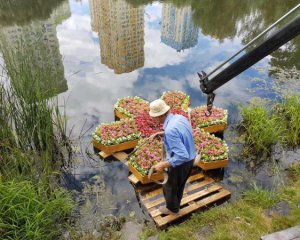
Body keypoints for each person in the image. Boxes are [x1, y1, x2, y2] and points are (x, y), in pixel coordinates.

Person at [149, 99, 196, 215]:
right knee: (179, 185)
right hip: (191, 159)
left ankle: (172, 209)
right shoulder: (179, 118)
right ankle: (176, 204)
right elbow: (180, 133)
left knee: (169, 187)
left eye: (153, 116)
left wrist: (163, 164)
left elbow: (182, 155)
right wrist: (164, 134)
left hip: (181, 164)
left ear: (159, 116)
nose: (152, 119)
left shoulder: (170, 130)